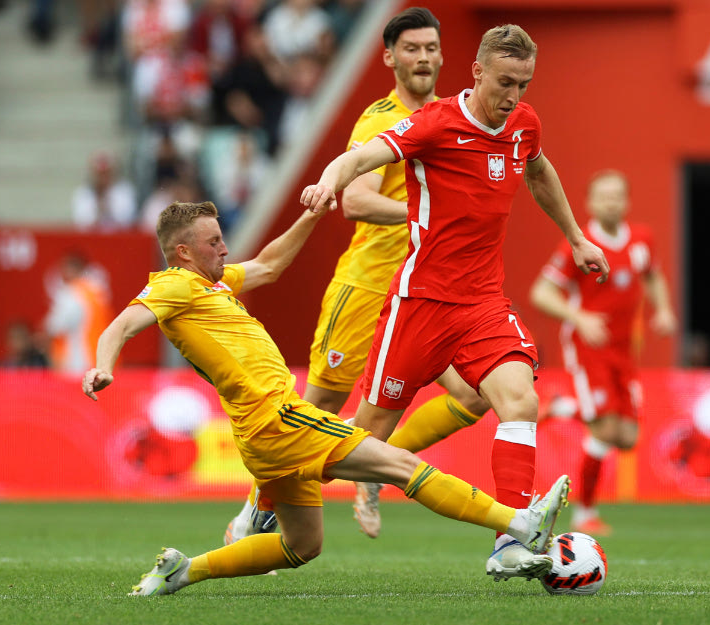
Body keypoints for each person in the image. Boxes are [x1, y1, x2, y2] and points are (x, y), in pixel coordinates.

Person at [81, 200, 570, 596]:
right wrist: (104, 366)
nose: (225, 249)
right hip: (280, 417)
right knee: (401, 466)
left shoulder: (211, 284)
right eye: (214, 242)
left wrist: (311, 215)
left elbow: (269, 266)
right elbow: (122, 325)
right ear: (183, 252)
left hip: (260, 437)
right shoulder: (174, 285)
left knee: (302, 546)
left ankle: (182, 573)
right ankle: (519, 523)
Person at [300, 24, 609, 582]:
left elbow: (538, 170)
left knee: (519, 402)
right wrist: (327, 183)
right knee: (364, 437)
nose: (513, 96)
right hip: (419, 303)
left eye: (524, 84)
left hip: (483, 301)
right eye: (505, 82)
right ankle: (269, 496)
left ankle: (510, 539)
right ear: (477, 72)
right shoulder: (436, 123)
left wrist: (577, 238)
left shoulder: (523, 123)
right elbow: (362, 159)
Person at [223, 6, 495, 548]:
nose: (423, 57)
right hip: (368, 286)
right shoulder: (381, 120)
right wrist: (428, 211)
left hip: (426, 290)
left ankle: (377, 474)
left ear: (444, 55)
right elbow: (355, 199)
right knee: (319, 406)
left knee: (472, 395)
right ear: (390, 57)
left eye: (431, 48)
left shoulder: (451, 116)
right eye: (412, 48)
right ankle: (260, 507)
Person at [529, 169, 677, 535]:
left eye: (617, 196)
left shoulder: (642, 240)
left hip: (625, 351)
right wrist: (578, 317)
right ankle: (585, 515)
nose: (611, 202)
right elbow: (541, 293)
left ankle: (564, 406)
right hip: (589, 347)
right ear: (589, 203)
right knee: (604, 429)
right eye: (603, 196)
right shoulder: (578, 246)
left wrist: (664, 309)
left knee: (627, 439)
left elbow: (653, 275)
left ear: (627, 202)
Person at [44, 252, 112, 373]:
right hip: (101, 358)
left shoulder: (71, 293)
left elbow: (55, 327)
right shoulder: (97, 291)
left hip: (76, 362)